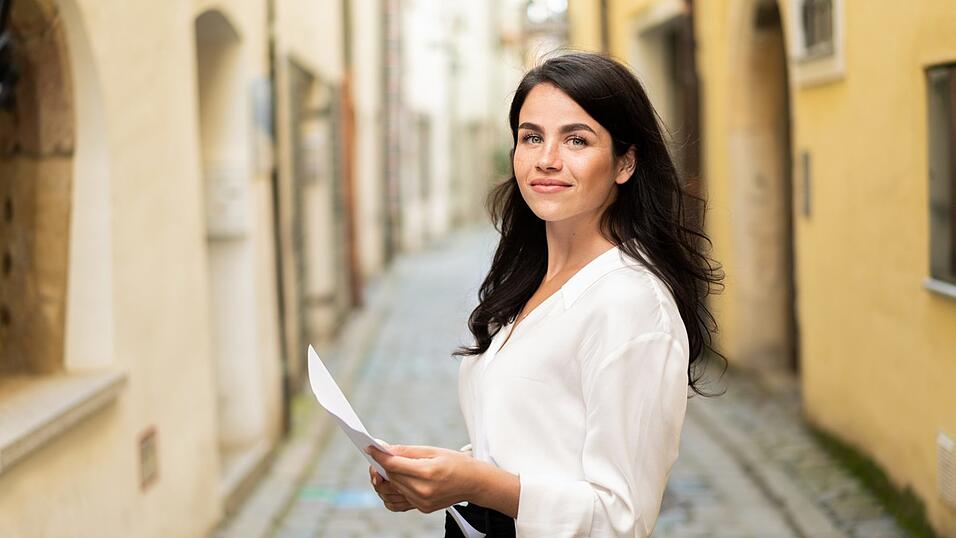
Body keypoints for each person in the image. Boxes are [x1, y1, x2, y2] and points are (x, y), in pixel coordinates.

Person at [365, 51, 724, 537]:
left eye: (577, 140)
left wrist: (476, 481)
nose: (547, 160)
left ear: (625, 162)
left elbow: (620, 519)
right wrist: (438, 477)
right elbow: (537, 444)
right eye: (531, 137)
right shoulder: (528, 283)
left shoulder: (630, 303)